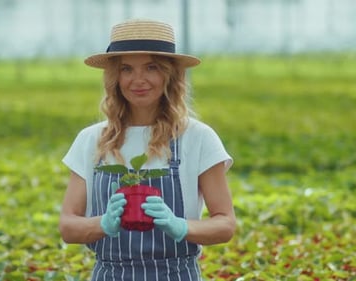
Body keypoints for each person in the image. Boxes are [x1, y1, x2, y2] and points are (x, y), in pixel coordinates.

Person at [59, 19, 236, 280]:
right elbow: (68, 226)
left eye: (151, 68)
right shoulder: (91, 140)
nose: (138, 80)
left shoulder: (197, 138)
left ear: (169, 74)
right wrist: (102, 224)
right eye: (127, 69)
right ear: (115, 77)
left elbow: (225, 223)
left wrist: (181, 226)